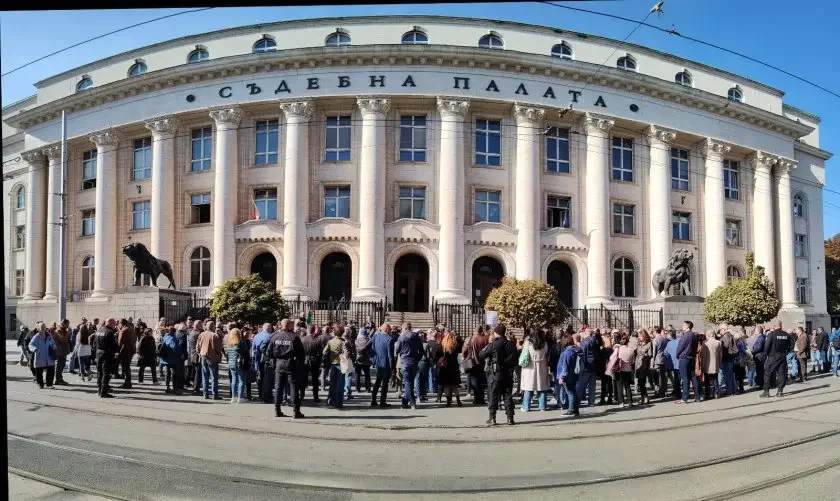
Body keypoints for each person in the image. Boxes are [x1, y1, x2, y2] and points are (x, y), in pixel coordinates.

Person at [478, 325, 517, 426]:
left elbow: (482, 355)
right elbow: (515, 359)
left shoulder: (494, 344)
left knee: (493, 395)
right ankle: (510, 418)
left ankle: (492, 417)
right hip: (507, 373)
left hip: (496, 373)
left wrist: (484, 350)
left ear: (497, 333)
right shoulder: (510, 344)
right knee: (508, 396)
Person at [269, 319, 305, 418]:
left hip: (279, 363)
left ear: (281, 325)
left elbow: (269, 352)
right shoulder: (294, 337)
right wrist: (298, 365)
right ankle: (295, 410)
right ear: (289, 326)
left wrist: (274, 364)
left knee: (278, 387)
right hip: (290, 363)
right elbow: (301, 354)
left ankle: (277, 409)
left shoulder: (275, 336)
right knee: (293, 387)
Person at [394, 322, 424, 409]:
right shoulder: (416, 337)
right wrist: (417, 358)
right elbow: (421, 351)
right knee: (410, 382)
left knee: (408, 382)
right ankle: (404, 403)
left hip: (405, 362)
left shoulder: (402, 337)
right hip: (414, 362)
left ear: (405, 328)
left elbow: (396, 350)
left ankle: (412, 403)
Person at [520, 328, 550, 412]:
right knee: (542, 386)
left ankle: (526, 407)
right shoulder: (545, 344)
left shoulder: (528, 343)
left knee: (528, 386)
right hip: (542, 365)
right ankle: (542, 406)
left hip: (530, 366)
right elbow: (546, 354)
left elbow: (524, 354)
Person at [761, 319, 793, 397]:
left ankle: (766, 392)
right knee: (781, 373)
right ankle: (780, 391)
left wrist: (765, 355)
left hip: (772, 356)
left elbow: (767, 346)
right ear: (781, 325)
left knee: (768, 373)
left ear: (774, 326)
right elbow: (792, 344)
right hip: (782, 356)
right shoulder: (786, 335)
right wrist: (787, 352)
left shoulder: (771, 334)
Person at [462, 327, 489, 405]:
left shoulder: (469, 339)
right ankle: (482, 399)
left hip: (472, 362)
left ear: (474, 330)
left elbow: (464, 351)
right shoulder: (485, 339)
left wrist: (465, 357)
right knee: (482, 381)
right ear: (481, 331)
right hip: (482, 362)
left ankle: (477, 399)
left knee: (474, 381)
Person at [324, 324, 348, 409]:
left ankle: (330, 400)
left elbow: (324, 352)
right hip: (341, 364)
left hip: (333, 364)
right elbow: (346, 354)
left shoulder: (330, 341)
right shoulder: (343, 342)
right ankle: (338, 402)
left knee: (333, 384)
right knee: (340, 385)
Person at [556, 332, 581, 415]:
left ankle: (571, 409)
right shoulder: (575, 349)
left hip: (567, 375)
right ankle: (575, 409)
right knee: (573, 391)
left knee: (570, 392)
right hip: (573, 374)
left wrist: (562, 376)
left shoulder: (567, 351)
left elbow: (565, 365)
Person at [197, 321, 223, 400]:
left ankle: (205, 393)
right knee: (214, 376)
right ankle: (214, 394)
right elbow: (218, 348)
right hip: (212, 357)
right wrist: (219, 354)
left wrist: (200, 353)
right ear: (213, 327)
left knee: (205, 376)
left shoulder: (201, 334)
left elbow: (197, 347)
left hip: (203, 356)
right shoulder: (214, 335)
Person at [675, 320, 700, 404]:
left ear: (687, 327)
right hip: (692, 358)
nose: (682, 326)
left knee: (685, 378)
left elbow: (680, 347)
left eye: (684, 325)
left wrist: (677, 355)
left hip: (684, 358)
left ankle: (684, 398)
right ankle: (697, 397)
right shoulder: (694, 335)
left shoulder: (685, 336)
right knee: (693, 378)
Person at [93, 318, 119, 398]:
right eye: (114, 324)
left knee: (100, 372)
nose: (115, 326)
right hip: (107, 355)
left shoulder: (99, 330)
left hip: (98, 353)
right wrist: (116, 352)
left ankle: (99, 389)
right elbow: (114, 345)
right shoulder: (110, 332)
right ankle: (104, 392)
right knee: (106, 373)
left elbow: (93, 343)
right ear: (110, 323)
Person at [370, 323, 394, 407]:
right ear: (387, 329)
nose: (391, 330)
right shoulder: (389, 339)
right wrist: (392, 366)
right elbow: (390, 355)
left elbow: (371, 349)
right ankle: (382, 401)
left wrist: (373, 360)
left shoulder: (375, 337)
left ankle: (373, 400)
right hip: (386, 363)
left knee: (377, 381)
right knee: (384, 383)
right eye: (390, 329)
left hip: (378, 363)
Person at [28, 323, 57, 389]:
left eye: (44, 327)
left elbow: (53, 343)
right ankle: (40, 384)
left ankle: (49, 384)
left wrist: (54, 346)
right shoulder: (36, 337)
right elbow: (30, 345)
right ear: (38, 329)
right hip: (40, 356)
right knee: (39, 372)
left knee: (51, 370)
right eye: (41, 327)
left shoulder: (49, 335)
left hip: (49, 356)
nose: (43, 328)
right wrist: (34, 349)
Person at [576, 328, 600, 408]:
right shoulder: (596, 341)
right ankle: (591, 402)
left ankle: (577, 401)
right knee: (592, 386)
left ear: (586, 333)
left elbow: (583, 355)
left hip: (586, 366)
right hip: (594, 366)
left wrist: (583, 366)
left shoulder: (584, 342)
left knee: (581, 385)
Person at [439, 330, 462, 407]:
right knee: (455, 385)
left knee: (446, 386)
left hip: (445, 367)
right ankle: (458, 401)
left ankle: (448, 401)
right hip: (454, 366)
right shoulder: (456, 345)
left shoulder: (443, 347)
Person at [300, 325, 323, 402]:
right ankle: (315, 397)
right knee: (315, 380)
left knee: (303, 379)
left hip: (304, 360)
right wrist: (319, 361)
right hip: (314, 360)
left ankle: (302, 395)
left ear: (307, 330)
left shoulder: (302, 339)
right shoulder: (317, 340)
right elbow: (320, 353)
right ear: (313, 331)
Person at [159, 326, 182, 394]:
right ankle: (175, 389)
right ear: (174, 332)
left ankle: (167, 387)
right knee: (174, 374)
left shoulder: (165, 336)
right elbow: (175, 348)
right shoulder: (173, 338)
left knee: (167, 373)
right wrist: (180, 354)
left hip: (165, 359)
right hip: (172, 359)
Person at [614, 333, 635, 408]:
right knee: (627, 386)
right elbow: (632, 362)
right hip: (628, 370)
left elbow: (613, 358)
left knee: (619, 386)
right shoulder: (631, 350)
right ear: (628, 342)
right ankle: (630, 401)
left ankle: (621, 402)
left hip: (619, 370)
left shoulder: (617, 350)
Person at [116, 319, 138, 389]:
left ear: (121, 324)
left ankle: (127, 383)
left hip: (124, 351)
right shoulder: (132, 329)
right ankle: (128, 382)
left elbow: (120, 343)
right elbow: (135, 339)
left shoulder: (123, 330)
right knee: (127, 367)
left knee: (125, 368)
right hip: (131, 350)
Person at [702, 329, 722, 399]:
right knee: (715, 380)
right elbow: (720, 354)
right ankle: (716, 393)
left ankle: (707, 394)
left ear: (709, 335)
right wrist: (719, 363)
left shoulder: (705, 343)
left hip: (707, 364)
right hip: (716, 364)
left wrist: (702, 364)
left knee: (707, 381)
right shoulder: (718, 342)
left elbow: (704, 355)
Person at [719, 324, 737, 397]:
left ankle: (729, 391)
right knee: (731, 376)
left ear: (723, 329)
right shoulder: (730, 335)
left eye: (720, 329)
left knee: (728, 376)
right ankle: (733, 390)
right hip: (730, 358)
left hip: (726, 358)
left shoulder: (726, 336)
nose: (719, 331)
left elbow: (725, 347)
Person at [425, 330, 444, 402]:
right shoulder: (438, 345)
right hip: (436, 362)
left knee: (430, 375)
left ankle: (431, 388)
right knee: (436, 376)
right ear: (436, 337)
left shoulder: (428, 343)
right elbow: (441, 355)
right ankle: (434, 388)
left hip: (429, 361)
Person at [52, 319, 71, 385]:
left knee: (62, 365)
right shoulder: (58, 331)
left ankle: (59, 379)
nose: (68, 326)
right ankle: (58, 379)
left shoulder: (64, 330)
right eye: (67, 324)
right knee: (60, 366)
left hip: (63, 351)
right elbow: (63, 340)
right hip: (60, 351)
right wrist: (68, 333)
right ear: (63, 324)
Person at [355, 325, 372, 394]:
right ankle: (368, 388)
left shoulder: (356, 341)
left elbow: (354, 350)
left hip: (358, 360)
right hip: (366, 360)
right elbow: (371, 350)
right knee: (367, 375)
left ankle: (357, 388)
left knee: (357, 375)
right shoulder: (369, 341)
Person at [651, 327, 669, 397]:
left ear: (655, 331)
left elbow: (654, 352)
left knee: (656, 377)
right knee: (663, 377)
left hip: (657, 360)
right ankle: (663, 391)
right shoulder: (664, 339)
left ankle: (657, 392)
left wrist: (652, 362)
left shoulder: (655, 340)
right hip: (663, 359)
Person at [187, 320, 203, 395]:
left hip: (192, 355)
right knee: (198, 373)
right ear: (198, 325)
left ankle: (195, 387)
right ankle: (196, 389)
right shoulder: (198, 334)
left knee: (195, 372)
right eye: (201, 325)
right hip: (197, 355)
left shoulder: (191, 332)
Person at [598, 331, 614, 405]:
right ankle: (610, 398)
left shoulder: (603, 350)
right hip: (610, 368)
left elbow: (600, 360)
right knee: (610, 383)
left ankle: (602, 399)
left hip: (603, 368)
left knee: (603, 384)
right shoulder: (612, 350)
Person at [664, 329, 680, 399]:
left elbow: (665, 353)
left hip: (672, 363)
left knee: (676, 378)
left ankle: (677, 393)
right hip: (680, 362)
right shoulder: (680, 341)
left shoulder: (669, 343)